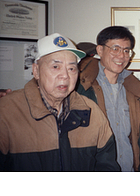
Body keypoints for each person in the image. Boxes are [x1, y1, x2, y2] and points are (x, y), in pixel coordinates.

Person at [0, 33, 120, 171]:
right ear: (36, 71)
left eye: (71, 68)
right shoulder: (6, 111)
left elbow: (107, 167)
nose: (65, 75)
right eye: (56, 67)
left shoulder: (91, 111)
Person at [77, 26, 140, 172]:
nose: (121, 56)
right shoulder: (82, 89)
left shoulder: (135, 93)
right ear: (100, 50)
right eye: (115, 48)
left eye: (126, 50)